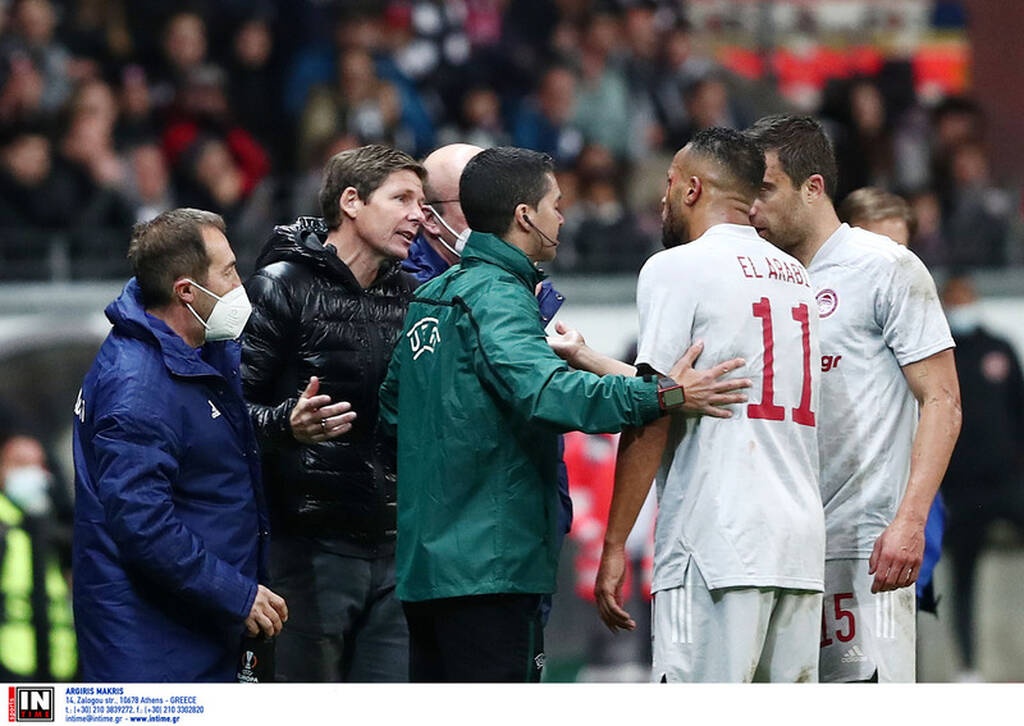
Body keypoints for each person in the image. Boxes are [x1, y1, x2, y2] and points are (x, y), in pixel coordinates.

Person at [379, 145, 749, 683]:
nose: (563, 217)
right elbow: (548, 393)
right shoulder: (498, 296)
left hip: (428, 568)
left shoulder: (432, 297)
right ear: (524, 216)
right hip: (492, 568)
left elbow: (393, 412)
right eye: (555, 205)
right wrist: (665, 395)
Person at [593, 128, 825, 683]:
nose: (663, 198)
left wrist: (615, 543)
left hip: (715, 540)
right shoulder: (798, 277)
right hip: (797, 543)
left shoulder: (677, 267)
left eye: (670, 184)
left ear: (693, 189)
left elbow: (655, 408)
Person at [746, 114, 962, 682]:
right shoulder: (759, 278)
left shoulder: (885, 267)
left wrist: (910, 522)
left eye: (765, 189)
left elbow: (942, 400)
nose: (752, 208)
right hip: (778, 548)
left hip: (866, 543)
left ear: (812, 187)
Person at [72, 208, 288, 683]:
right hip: (154, 646)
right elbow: (144, 525)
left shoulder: (199, 350)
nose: (240, 285)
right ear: (186, 291)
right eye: (228, 272)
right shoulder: (138, 388)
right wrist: (237, 594)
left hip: (199, 624)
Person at [241, 144, 425, 682]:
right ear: (351, 202)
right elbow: (222, 414)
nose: (418, 214)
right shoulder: (281, 287)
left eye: (421, 202)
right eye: (402, 199)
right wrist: (286, 425)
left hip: (396, 550)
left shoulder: (415, 297)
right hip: (308, 550)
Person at [837, 186, 944, 613]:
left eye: (901, 248)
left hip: (904, 487)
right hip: (840, 493)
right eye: (876, 246)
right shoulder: (811, 307)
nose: (890, 261)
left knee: (901, 609)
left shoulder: (920, 318)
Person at [939, 273, 1024, 681]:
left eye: (966, 298)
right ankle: (967, 667)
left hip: (1008, 482)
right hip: (960, 488)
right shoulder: (939, 354)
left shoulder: (998, 347)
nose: (962, 306)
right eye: (955, 300)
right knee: (962, 578)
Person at [0, 432, 77, 681]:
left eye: (39, 464)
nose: (33, 473)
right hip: (11, 670)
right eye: (21, 463)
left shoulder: (57, 529)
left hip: (61, 667)